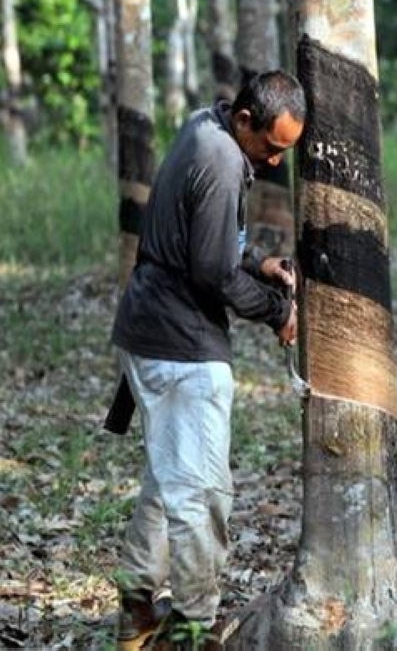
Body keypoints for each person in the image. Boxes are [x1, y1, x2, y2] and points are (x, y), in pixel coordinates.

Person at [109, 70, 305, 650]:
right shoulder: (222, 161)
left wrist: (261, 260)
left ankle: (136, 609)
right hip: (177, 346)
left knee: (168, 479)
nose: (273, 163)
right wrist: (276, 310)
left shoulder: (206, 125)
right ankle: (192, 625)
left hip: (149, 330)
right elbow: (212, 271)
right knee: (203, 494)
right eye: (270, 147)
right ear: (245, 120)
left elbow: (217, 238)